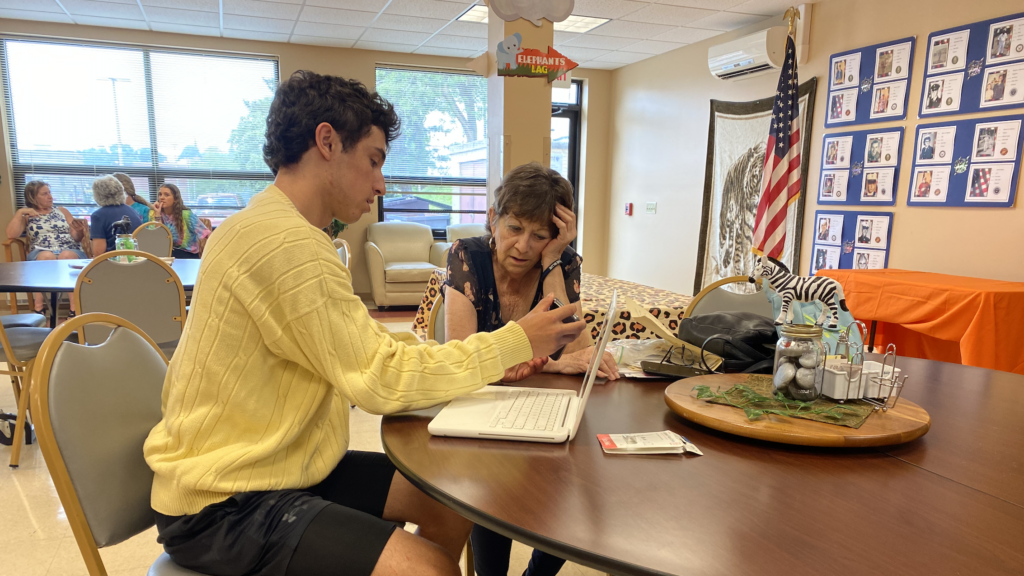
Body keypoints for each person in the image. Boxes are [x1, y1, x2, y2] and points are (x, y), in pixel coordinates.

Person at [143, 70, 584, 576]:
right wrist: (515, 341)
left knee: (456, 499)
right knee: (429, 567)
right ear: (326, 142)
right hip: (224, 500)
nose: (380, 183)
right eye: (373, 160)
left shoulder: (275, 230)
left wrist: (503, 345)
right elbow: (379, 381)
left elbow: (372, 347)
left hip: (284, 465)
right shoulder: (285, 244)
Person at [443, 163, 619, 576]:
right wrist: (555, 366)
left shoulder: (562, 262)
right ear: (493, 219)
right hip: (480, 411)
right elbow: (462, 359)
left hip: (539, 410)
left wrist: (554, 262)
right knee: (492, 487)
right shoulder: (466, 255)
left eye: (539, 236)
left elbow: (583, 356)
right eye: (514, 228)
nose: (523, 246)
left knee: (578, 484)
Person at [5, 180, 87, 313]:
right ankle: (39, 307)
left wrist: (78, 231)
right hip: (40, 252)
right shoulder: (27, 215)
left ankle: (74, 308)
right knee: (46, 256)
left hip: (69, 249)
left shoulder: (62, 211)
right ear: (33, 197)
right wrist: (20, 212)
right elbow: (11, 235)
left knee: (66, 255)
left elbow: (76, 238)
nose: (50, 196)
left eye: (49, 193)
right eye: (44, 194)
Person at [147, 182, 210, 259]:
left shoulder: (186, 215)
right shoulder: (154, 213)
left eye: (166, 195)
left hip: (187, 255)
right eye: (160, 194)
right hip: (165, 254)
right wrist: (157, 215)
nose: (162, 198)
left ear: (175, 199)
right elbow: (160, 238)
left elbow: (207, 234)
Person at [89, 175, 144, 256]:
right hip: (137, 260)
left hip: (114, 264)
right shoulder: (133, 211)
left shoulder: (98, 216)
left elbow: (98, 253)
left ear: (97, 195)